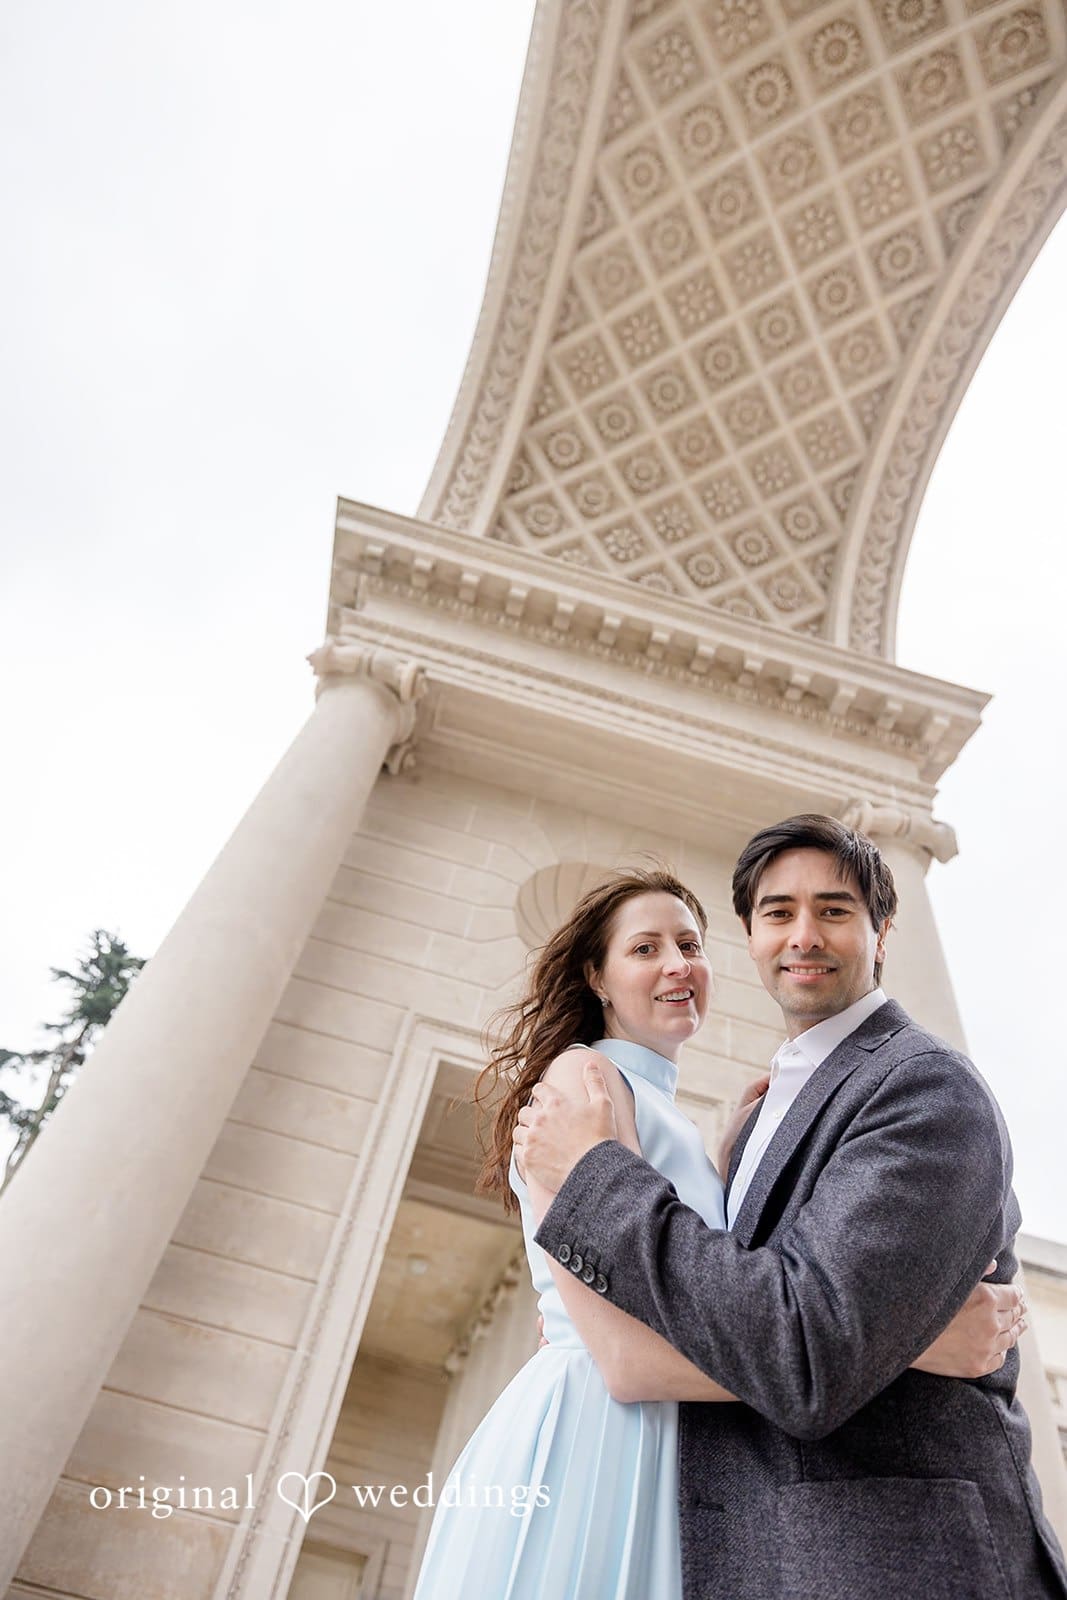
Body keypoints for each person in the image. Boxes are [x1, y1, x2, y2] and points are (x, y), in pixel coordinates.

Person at [412, 862, 1021, 1599]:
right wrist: (906, 1345)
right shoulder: (581, 1085)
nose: (677, 964)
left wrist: (729, 1168)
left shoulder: (678, 1120)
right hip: (599, 1439)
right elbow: (628, 1362)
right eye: (645, 949)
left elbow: (718, 1285)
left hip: (680, 1455)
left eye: (690, 944)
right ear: (596, 977)